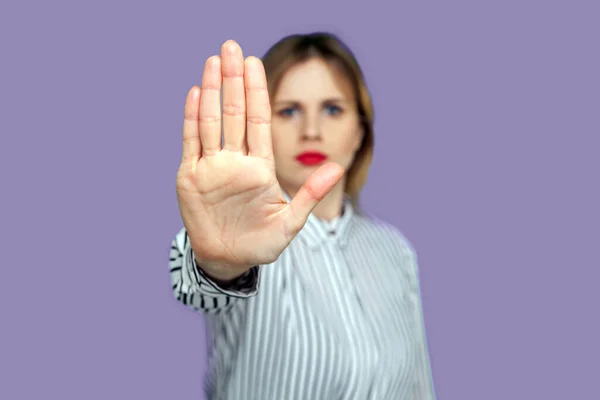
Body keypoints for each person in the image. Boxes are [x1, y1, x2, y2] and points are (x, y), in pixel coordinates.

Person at [169, 32, 436, 400]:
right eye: (289, 111)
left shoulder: (395, 251)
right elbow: (196, 283)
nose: (311, 131)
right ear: (258, 123)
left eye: (332, 109)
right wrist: (219, 261)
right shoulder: (250, 247)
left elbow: (420, 388)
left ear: (360, 131)